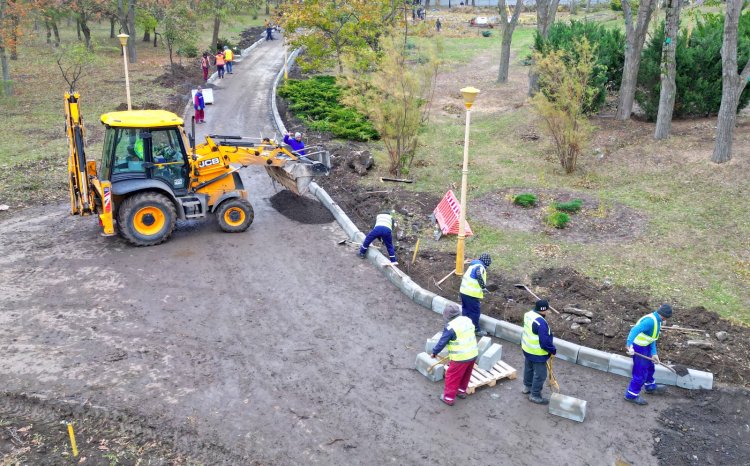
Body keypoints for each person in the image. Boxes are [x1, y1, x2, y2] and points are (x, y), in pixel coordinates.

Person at [431, 303, 479, 406]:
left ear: (447, 316)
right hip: (473, 353)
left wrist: (434, 352)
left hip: (460, 358)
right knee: (466, 374)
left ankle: (448, 398)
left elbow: (442, 342)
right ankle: (461, 391)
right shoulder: (467, 320)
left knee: (452, 376)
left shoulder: (450, 327)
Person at [625, 304, 673, 405]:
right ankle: (631, 395)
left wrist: (654, 353)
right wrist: (629, 345)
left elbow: (652, 339)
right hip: (638, 347)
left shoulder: (657, 321)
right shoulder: (650, 321)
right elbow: (634, 330)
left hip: (645, 346)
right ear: (664, 316)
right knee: (640, 372)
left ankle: (650, 386)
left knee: (650, 367)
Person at [521, 299, 557, 405]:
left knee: (529, 369)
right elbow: (544, 342)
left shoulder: (528, 315)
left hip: (527, 349)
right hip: (537, 353)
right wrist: (552, 350)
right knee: (540, 375)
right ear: (545, 310)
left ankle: (527, 387)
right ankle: (535, 395)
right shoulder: (541, 323)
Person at [459, 253, 491, 336]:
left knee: (466, 310)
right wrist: (483, 287)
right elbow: (478, 274)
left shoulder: (472, 265)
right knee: (475, 312)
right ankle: (476, 330)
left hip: (463, 291)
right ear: (486, 262)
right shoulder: (480, 266)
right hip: (471, 294)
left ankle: (465, 327)